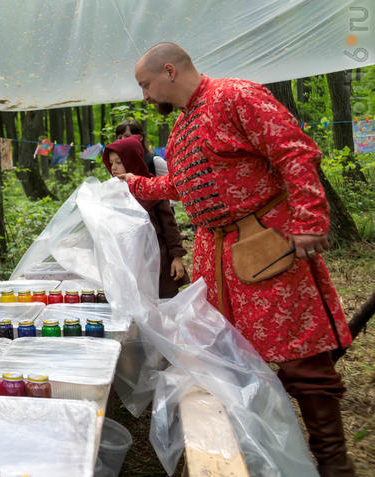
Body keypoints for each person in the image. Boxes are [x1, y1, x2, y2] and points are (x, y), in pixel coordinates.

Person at [122, 42, 354, 475]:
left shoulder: (237, 96)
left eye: (145, 84)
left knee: (304, 362)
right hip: (218, 260)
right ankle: (258, 453)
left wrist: (308, 217)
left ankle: (335, 466)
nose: (145, 96)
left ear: (169, 71)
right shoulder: (181, 128)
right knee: (231, 361)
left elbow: (294, 151)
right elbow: (182, 184)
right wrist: (135, 185)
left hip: (264, 246)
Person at [103, 135, 189, 298]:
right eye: (111, 163)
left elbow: (170, 226)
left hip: (160, 262)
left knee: (163, 300)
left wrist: (176, 257)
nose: (113, 168)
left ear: (132, 160)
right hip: (131, 261)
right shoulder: (114, 192)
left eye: (119, 162)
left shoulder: (150, 188)